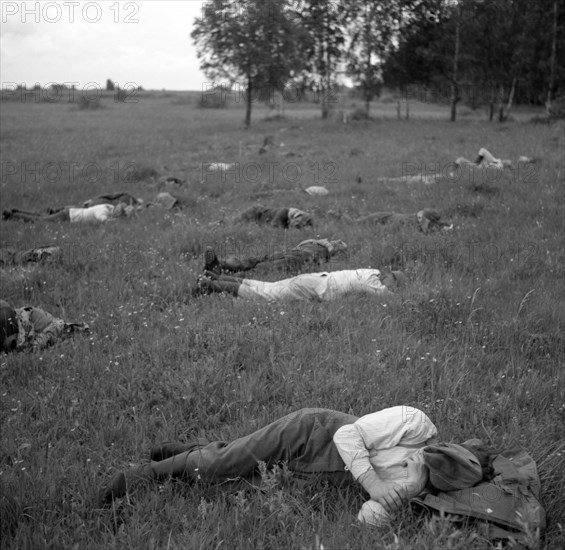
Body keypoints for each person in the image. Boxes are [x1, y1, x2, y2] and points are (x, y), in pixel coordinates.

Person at [98, 405, 495, 528]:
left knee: (230, 484)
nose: (415, 462)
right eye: (424, 457)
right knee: (220, 466)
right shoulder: (414, 422)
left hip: (310, 473)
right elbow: (347, 437)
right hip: (308, 434)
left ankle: (189, 450)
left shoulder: (423, 492)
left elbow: (366, 520)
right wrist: (375, 482)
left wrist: (405, 489)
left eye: (423, 470)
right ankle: (139, 476)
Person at [192, 268, 405, 301]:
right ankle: (209, 285)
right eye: (393, 283)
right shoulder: (372, 281)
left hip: (314, 279)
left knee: (266, 286)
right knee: (264, 296)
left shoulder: (369, 271)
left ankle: (217, 277)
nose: (390, 286)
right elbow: (387, 297)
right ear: (388, 278)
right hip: (313, 287)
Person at [203, 239, 348, 275]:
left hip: (304, 257)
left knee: (266, 268)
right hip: (293, 251)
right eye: (339, 241)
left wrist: (333, 247)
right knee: (257, 260)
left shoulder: (328, 248)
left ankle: (219, 281)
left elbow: (337, 251)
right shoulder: (319, 241)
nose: (339, 241)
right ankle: (218, 265)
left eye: (340, 242)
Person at [0, 300, 89, 353]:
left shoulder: (23, 318)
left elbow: (25, 346)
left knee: (29, 350)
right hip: (50, 330)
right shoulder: (13, 320)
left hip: (54, 328)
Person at [327, 209, 452, 233]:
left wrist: (445, 227)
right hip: (384, 217)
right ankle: (338, 215)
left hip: (387, 217)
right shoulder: (415, 223)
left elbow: (440, 224)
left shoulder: (429, 220)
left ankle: (343, 214)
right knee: (355, 224)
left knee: (360, 221)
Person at [2, 202, 133, 223]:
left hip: (70, 212)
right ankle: (10, 215)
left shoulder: (109, 206)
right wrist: (119, 220)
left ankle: (18, 211)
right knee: (39, 221)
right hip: (67, 216)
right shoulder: (103, 211)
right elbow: (104, 221)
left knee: (41, 217)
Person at [234, 205, 313, 229]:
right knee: (233, 224)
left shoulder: (305, 217)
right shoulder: (283, 213)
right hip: (255, 213)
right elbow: (274, 227)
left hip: (259, 214)